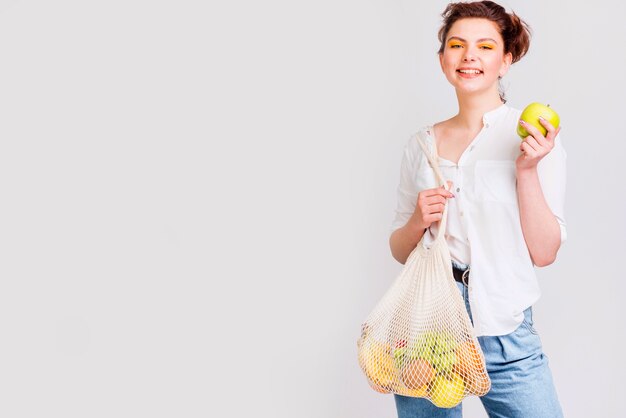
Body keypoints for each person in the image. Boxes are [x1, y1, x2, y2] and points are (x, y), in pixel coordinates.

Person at [389, 1, 566, 417]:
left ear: (506, 60)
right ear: (442, 60)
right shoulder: (420, 146)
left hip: (504, 324)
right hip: (429, 325)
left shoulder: (534, 136)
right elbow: (399, 250)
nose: (469, 56)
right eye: (457, 45)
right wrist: (419, 220)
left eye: (485, 46)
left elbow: (545, 252)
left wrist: (527, 170)